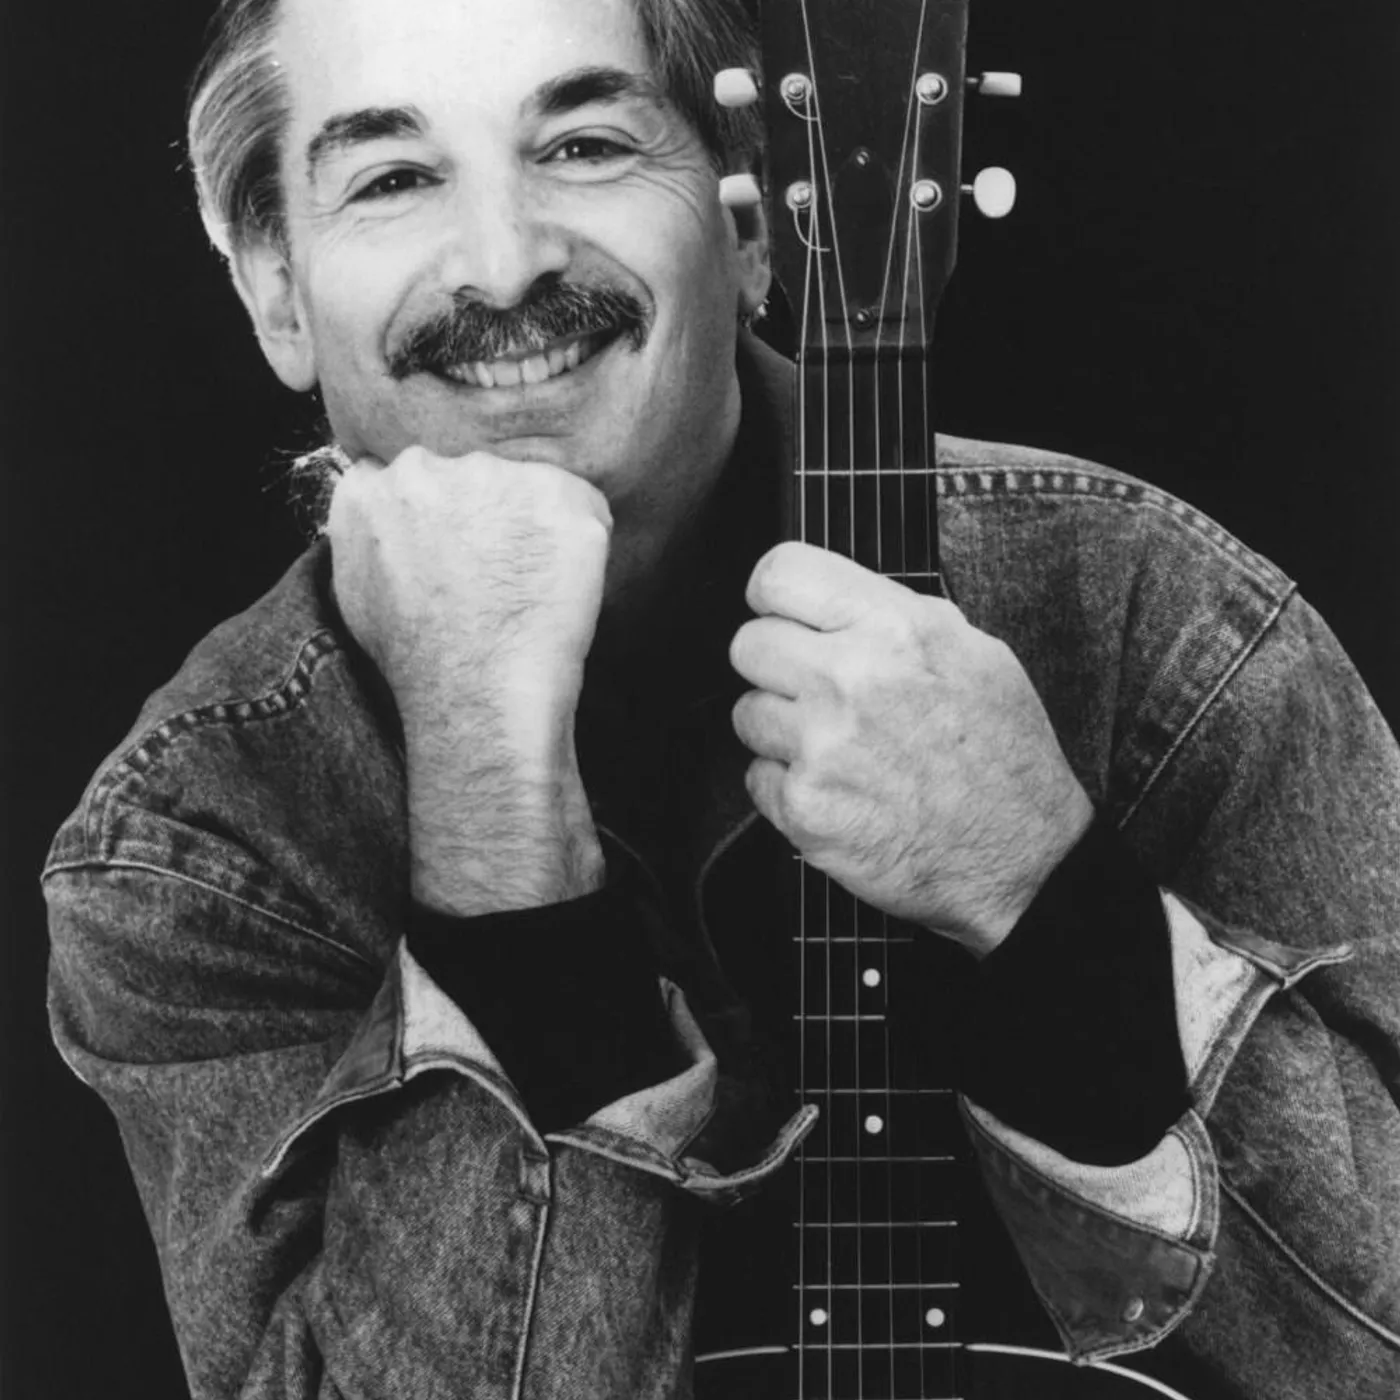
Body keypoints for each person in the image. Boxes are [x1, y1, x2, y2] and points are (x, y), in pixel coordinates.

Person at [42, 0, 1400, 1395]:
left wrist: (1045, 898)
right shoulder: (193, 847)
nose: (504, 264)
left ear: (751, 229)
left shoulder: (1152, 621)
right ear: (279, 293)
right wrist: (490, 790)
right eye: (393, 177)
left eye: (584, 145)